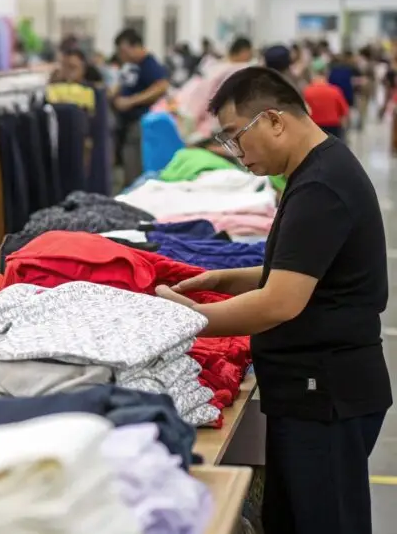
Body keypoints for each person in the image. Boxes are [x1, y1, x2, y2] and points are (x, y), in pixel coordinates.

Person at [157, 66, 390, 534]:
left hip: (325, 393)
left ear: (273, 121)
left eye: (235, 137)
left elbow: (280, 302)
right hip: (315, 390)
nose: (236, 153)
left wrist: (194, 319)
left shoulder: (320, 187)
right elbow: (301, 271)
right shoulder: (317, 171)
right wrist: (225, 279)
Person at [112, 29, 169, 186]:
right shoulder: (131, 66)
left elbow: (161, 86)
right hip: (126, 124)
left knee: (135, 167)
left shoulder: (149, 64)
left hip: (139, 122)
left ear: (136, 46)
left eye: (124, 51)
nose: (122, 55)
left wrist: (131, 101)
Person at [303, 59, 350, 140]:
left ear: (312, 73)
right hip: (333, 130)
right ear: (326, 73)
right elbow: (344, 113)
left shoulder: (306, 92)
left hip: (314, 129)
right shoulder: (335, 91)